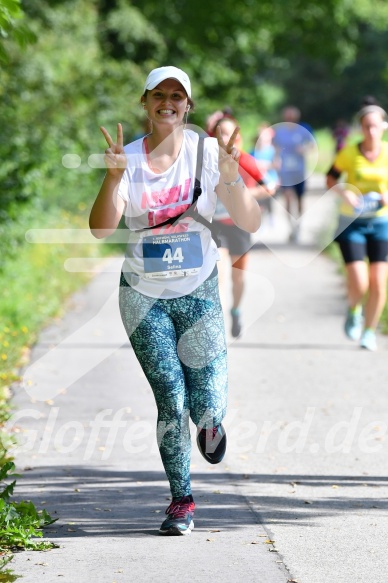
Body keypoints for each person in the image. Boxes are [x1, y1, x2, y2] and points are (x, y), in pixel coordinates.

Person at [89, 66, 261, 535]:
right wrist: (111, 181)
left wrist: (232, 178)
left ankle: (210, 423)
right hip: (143, 297)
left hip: (198, 290)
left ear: (189, 106)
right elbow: (102, 228)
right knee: (170, 396)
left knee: (205, 401)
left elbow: (250, 222)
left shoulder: (208, 153)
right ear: (145, 103)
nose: (168, 101)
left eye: (177, 96)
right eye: (159, 94)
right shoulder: (125, 159)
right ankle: (181, 501)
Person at [326, 98, 388, 351]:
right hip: (351, 223)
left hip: (381, 222)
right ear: (360, 128)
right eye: (366, 126)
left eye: (375, 126)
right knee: (360, 282)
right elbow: (330, 178)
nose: (371, 131)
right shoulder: (350, 152)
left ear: (384, 126)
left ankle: (369, 332)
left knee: (378, 282)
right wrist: (346, 193)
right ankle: (354, 309)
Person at [209, 115, 270, 337]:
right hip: (216, 226)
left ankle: (235, 311)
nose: (224, 137)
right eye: (220, 133)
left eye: (228, 133)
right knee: (219, 273)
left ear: (238, 137)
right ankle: (218, 320)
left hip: (240, 225)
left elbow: (268, 188)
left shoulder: (246, 161)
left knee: (238, 276)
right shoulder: (208, 161)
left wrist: (242, 194)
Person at [273, 106, 315, 241]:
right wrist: (276, 160)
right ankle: (291, 226)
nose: (290, 118)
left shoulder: (304, 129)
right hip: (285, 171)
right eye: (287, 116)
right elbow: (275, 148)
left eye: (292, 116)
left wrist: (304, 148)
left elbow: (313, 145)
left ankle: (299, 224)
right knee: (287, 197)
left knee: (300, 199)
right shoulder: (279, 131)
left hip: (300, 170)